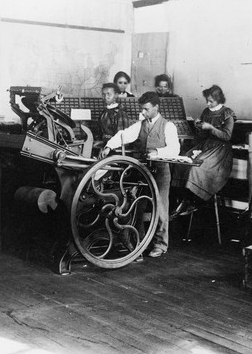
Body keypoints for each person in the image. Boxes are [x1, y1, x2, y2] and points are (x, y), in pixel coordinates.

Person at [101, 91, 180, 258]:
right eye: (142, 109)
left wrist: (157, 151)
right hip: (143, 172)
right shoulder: (140, 125)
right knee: (138, 206)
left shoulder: (168, 126)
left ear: (156, 108)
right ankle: (140, 242)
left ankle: (160, 245)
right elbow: (124, 135)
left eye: (146, 109)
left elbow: (175, 149)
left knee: (160, 208)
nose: (143, 113)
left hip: (160, 171)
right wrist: (109, 146)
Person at [170, 85, 236, 218]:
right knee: (181, 162)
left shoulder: (227, 113)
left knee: (196, 168)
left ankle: (195, 201)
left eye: (211, 101)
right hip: (206, 145)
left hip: (220, 151)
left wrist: (210, 127)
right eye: (207, 100)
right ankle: (184, 200)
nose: (208, 103)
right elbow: (202, 136)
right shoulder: (206, 112)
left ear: (219, 99)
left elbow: (227, 136)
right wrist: (199, 127)